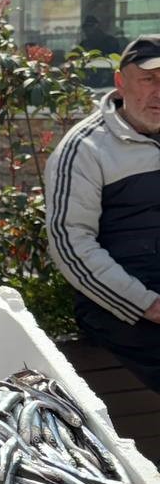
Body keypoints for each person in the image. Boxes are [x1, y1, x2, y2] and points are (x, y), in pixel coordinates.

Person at [46, 34, 160, 389]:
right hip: (123, 304)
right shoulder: (85, 148)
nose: (159, 91)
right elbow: (70, 243)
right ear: (120, 83)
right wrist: (149, 304)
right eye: (149, 79)